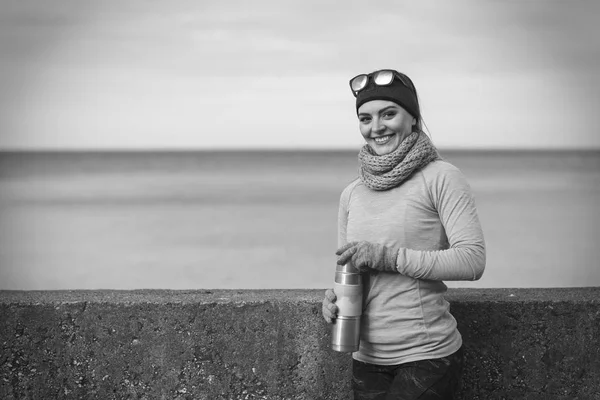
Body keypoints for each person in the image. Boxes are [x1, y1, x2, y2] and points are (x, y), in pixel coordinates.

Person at [322, 69, 486, 400]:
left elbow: (472, 260)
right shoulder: (352, 193)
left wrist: (391, 258)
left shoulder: (441, 178)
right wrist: (334, 297)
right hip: (366, 357)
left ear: (413, 118)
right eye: (365, 118)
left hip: (427, 355)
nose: (376, 127)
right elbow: (352, 267)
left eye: (389, 113)